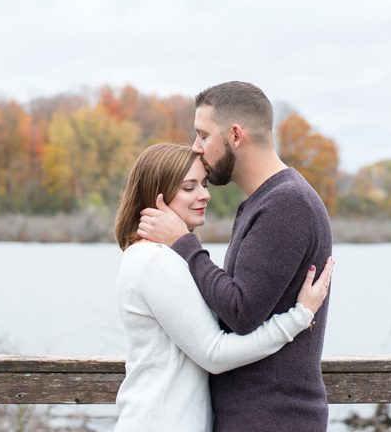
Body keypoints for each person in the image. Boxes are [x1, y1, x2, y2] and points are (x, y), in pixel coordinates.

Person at [137, 81, 334, 431]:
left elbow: (240, 311)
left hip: (273, 419)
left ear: (235, 135)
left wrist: (183, 243)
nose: (196, 149)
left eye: (202, 135)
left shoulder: (286, 204)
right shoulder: (268, 201)